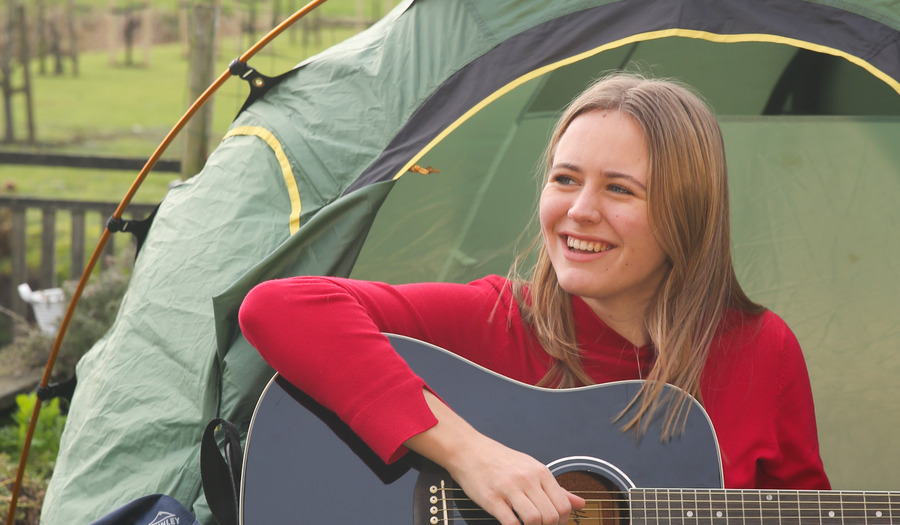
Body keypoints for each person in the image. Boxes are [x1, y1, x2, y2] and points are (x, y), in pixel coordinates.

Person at [238, 72, 830, 525]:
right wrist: (471, 456)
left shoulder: (761, 351)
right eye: (565, 179)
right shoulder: (498, 320)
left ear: (687, 213)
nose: (580, 210)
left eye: (619, 189)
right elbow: (279, 307)